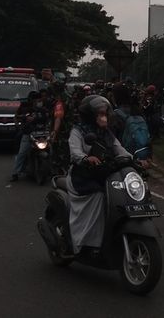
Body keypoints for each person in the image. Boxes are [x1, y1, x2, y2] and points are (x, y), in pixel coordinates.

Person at [66, 95, 131, 254]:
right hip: (82, 176)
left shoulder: (106, 132)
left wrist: (134, 159)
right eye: (99, 114)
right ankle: (86, 242)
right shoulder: (78, 131)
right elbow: (75, 152)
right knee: (99, 196)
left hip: (103, 173)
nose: (103, 116)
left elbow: (118, 148)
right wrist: (87, 158)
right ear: (90, 115)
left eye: (104, 113)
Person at [10, 91, 51, 182]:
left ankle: (52, 170)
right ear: (32, 100)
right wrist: (21, 123)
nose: (39, 101)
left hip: (42, 135)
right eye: (37, 99)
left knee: (51, 150)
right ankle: (15, 173)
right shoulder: (26, 109)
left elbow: (49, 119)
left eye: (39, 99)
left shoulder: (44, 110)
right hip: (29, 134)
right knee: (22, 153)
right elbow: (18, 117)